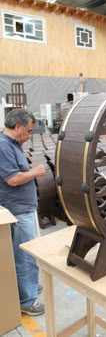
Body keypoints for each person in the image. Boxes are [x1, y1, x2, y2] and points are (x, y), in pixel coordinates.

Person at [0, 109, 46, 316]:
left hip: (24, 208)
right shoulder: (3, 146)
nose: (30, 135)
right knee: (25, 256)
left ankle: (29, 286)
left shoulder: (13, 144)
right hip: (17, 210)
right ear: (17, 127)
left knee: (29, 253)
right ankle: (27, 301)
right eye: (28, 131)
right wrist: (35, 172)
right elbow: (13, 179)